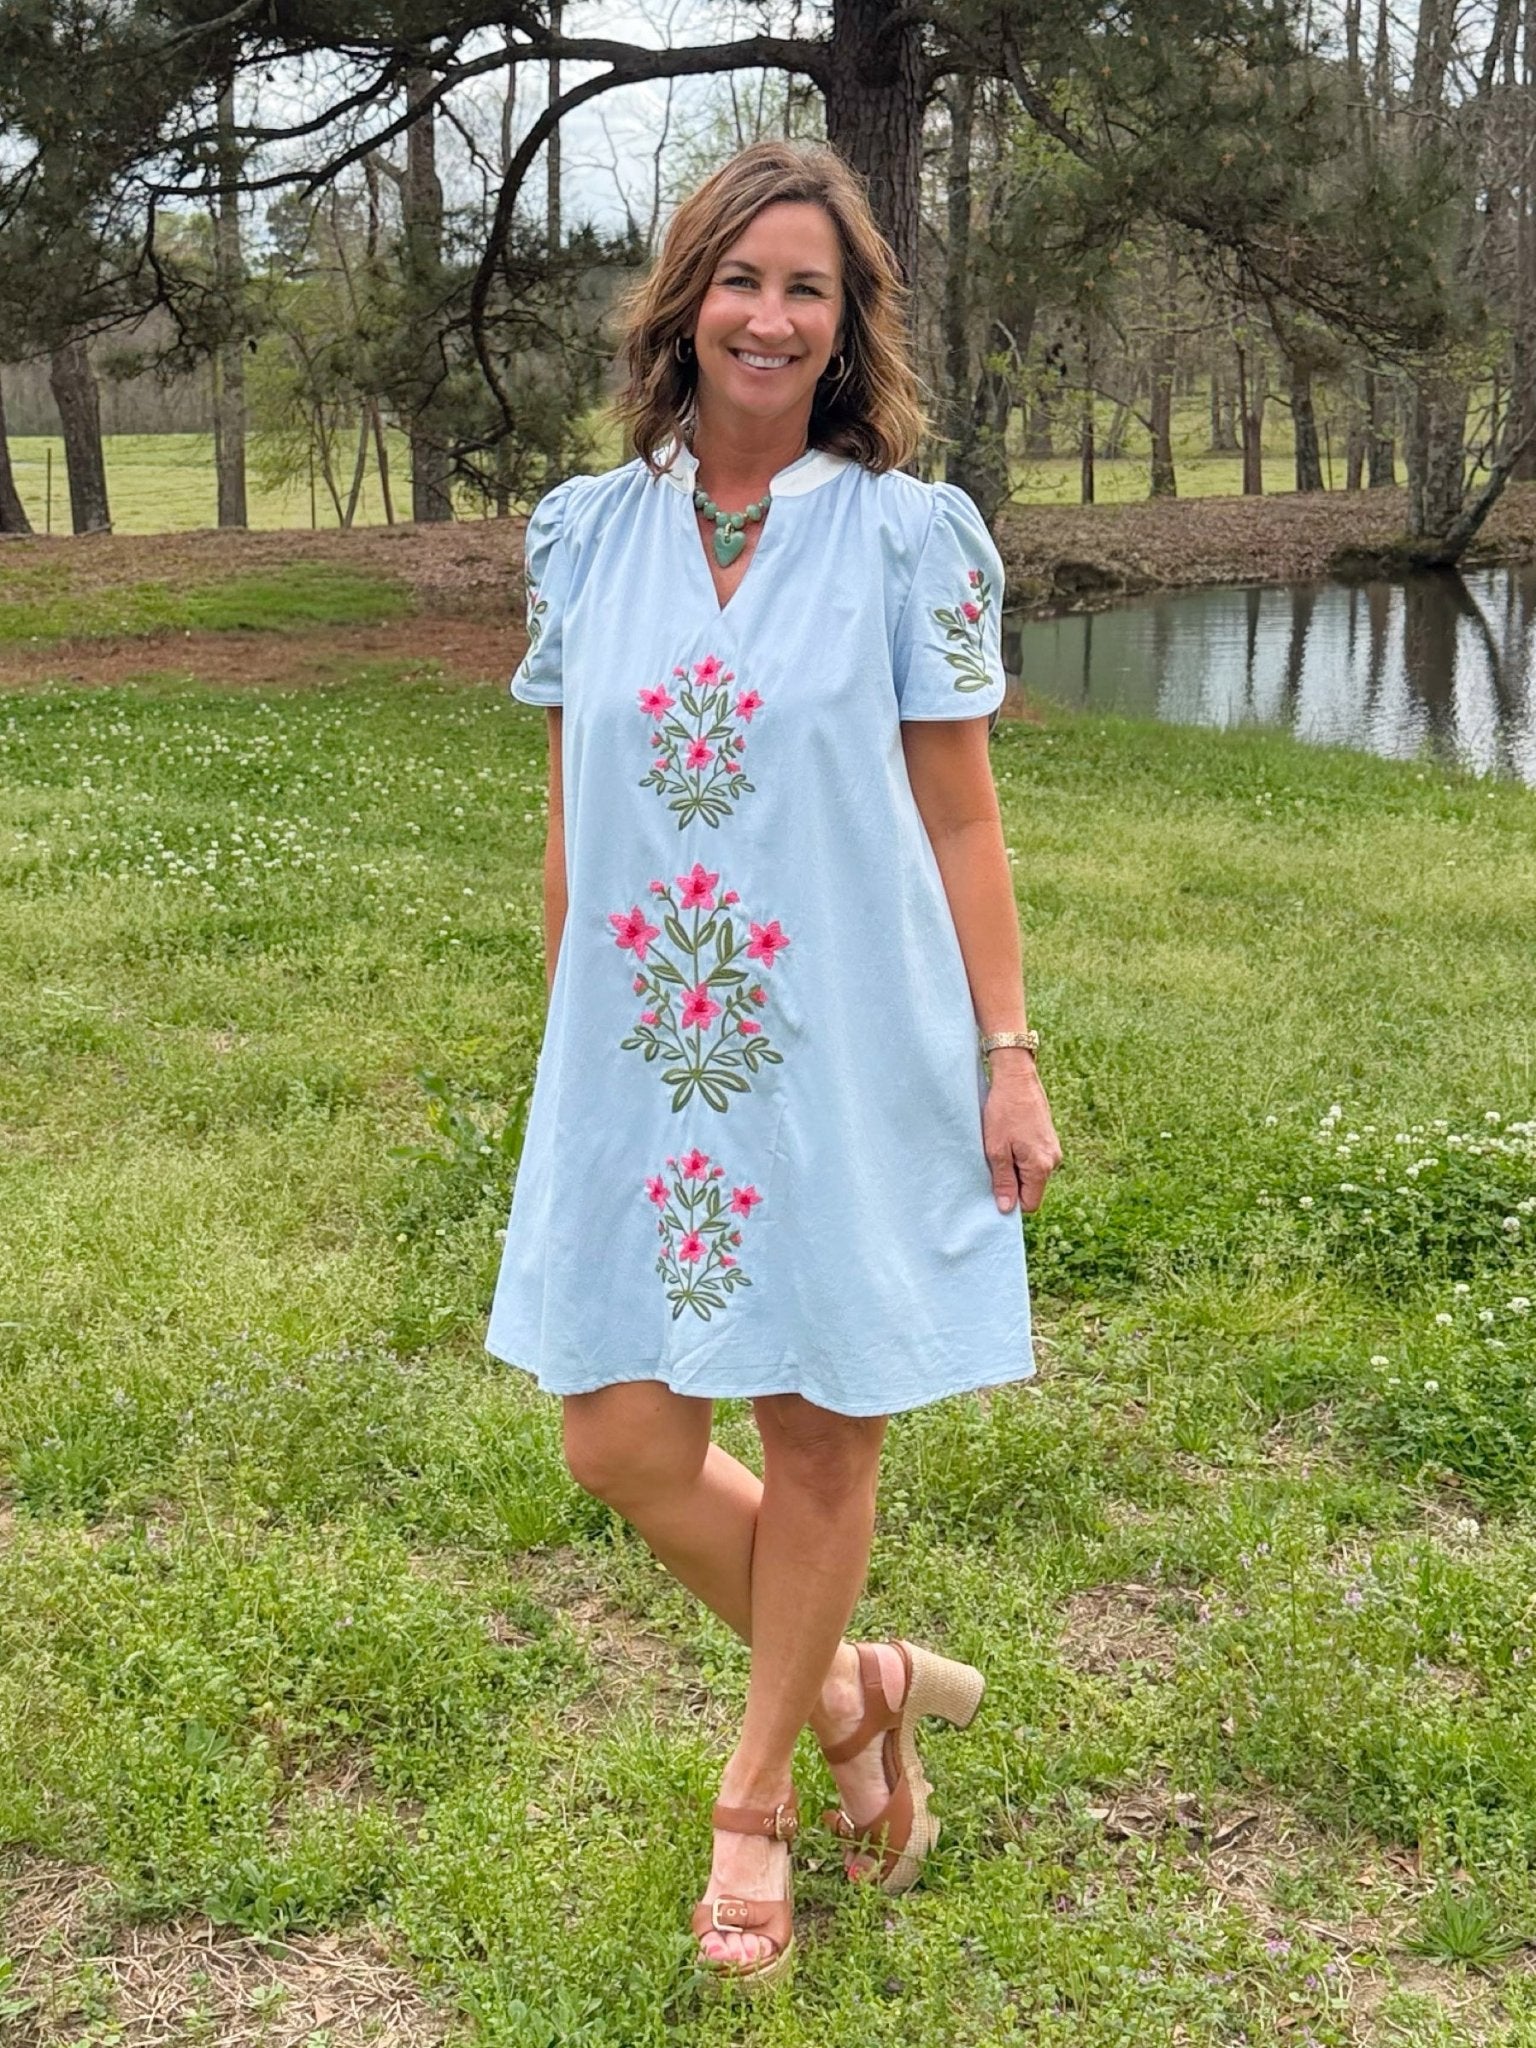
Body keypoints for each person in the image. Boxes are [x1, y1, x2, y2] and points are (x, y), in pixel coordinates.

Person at [486, 137, 1062, 1991]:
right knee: (620, 1440)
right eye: (742, 279)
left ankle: (756, 1804)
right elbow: (573, 811)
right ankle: (856, 1688)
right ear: (687, 304)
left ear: (846, 323)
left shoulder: (905, 535)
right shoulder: (591, 533)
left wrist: (1007, 1051)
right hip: (644, 1056)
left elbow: (962, 819)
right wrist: (572, 1041)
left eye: (807, 287)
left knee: (818, 1428)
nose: (770, 315)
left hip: (846, 1055)